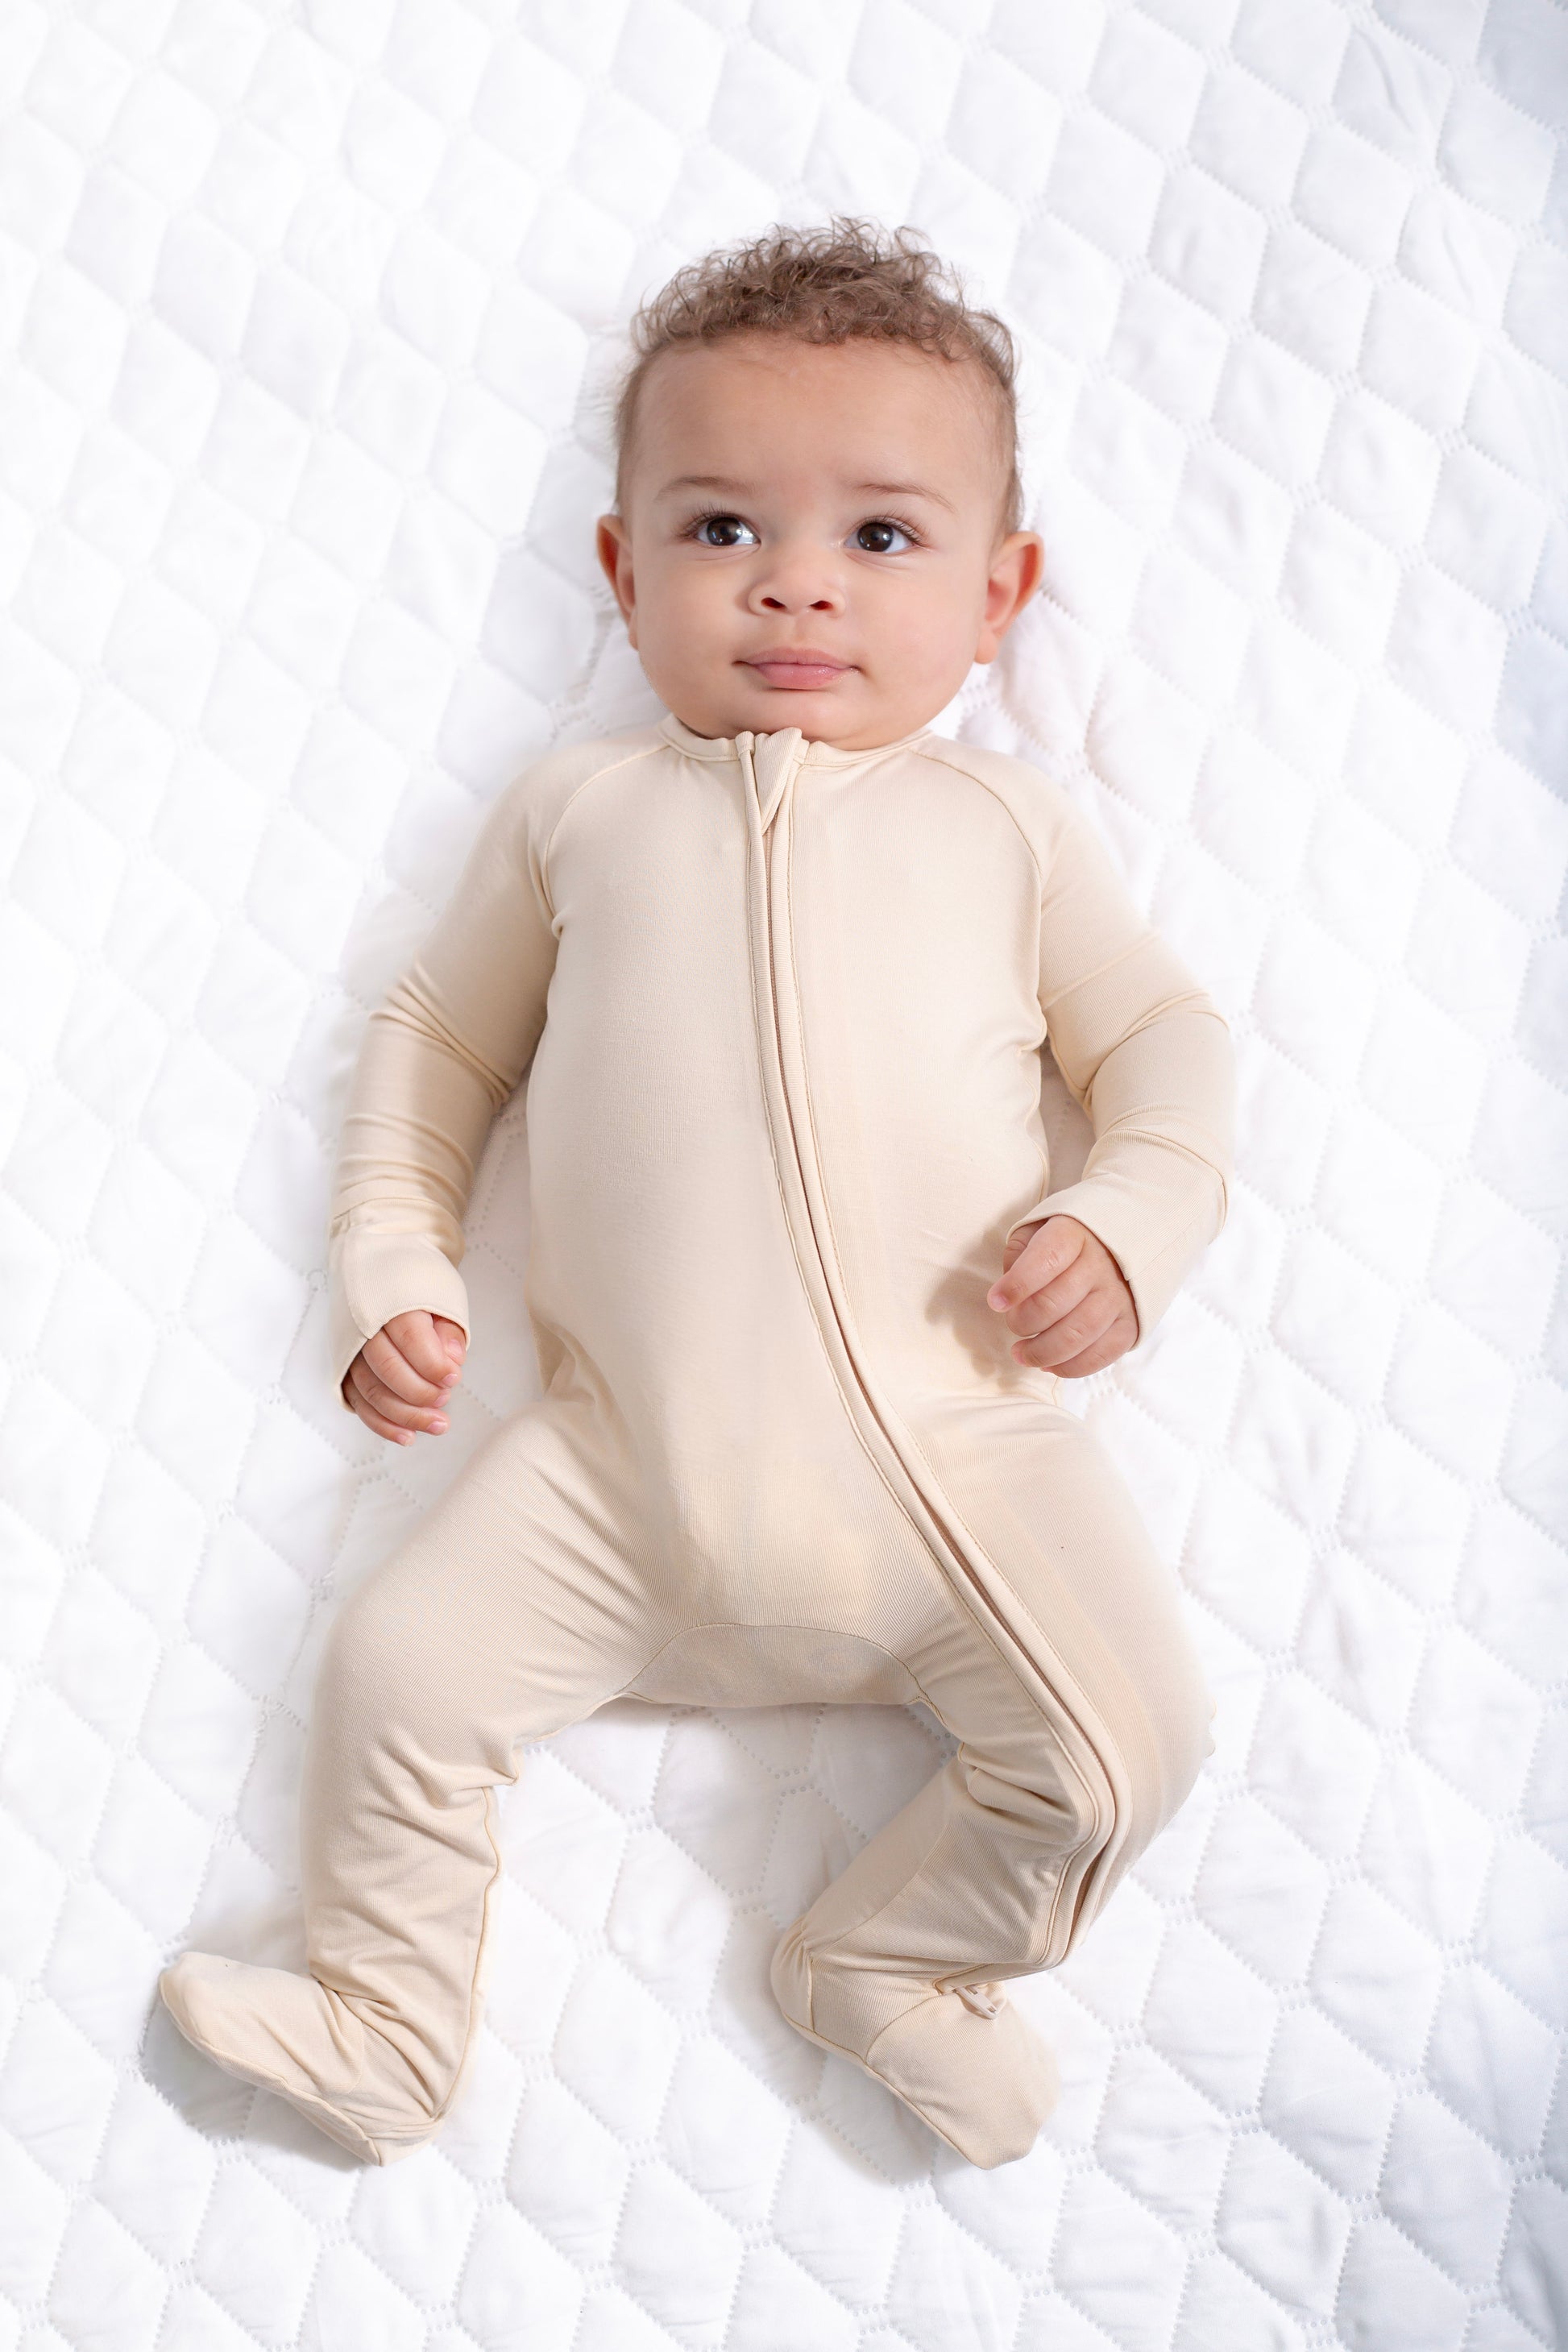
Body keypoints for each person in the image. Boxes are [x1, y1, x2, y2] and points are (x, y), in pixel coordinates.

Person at [159, 218, 1234, 2171]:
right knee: (396, 1671)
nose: (796, 583)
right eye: (722, 526)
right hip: (618, 1475)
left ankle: (892, 1958)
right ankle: (384, 2018)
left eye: (882, 540)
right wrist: (394, 1256)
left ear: (1000, 594)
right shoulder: (578, 812)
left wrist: (1129, 1224)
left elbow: (1164, 1047)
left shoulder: (1004, 827)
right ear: (621, 566)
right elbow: (432, 1045)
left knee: (1123, 1750)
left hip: (957, 1465)